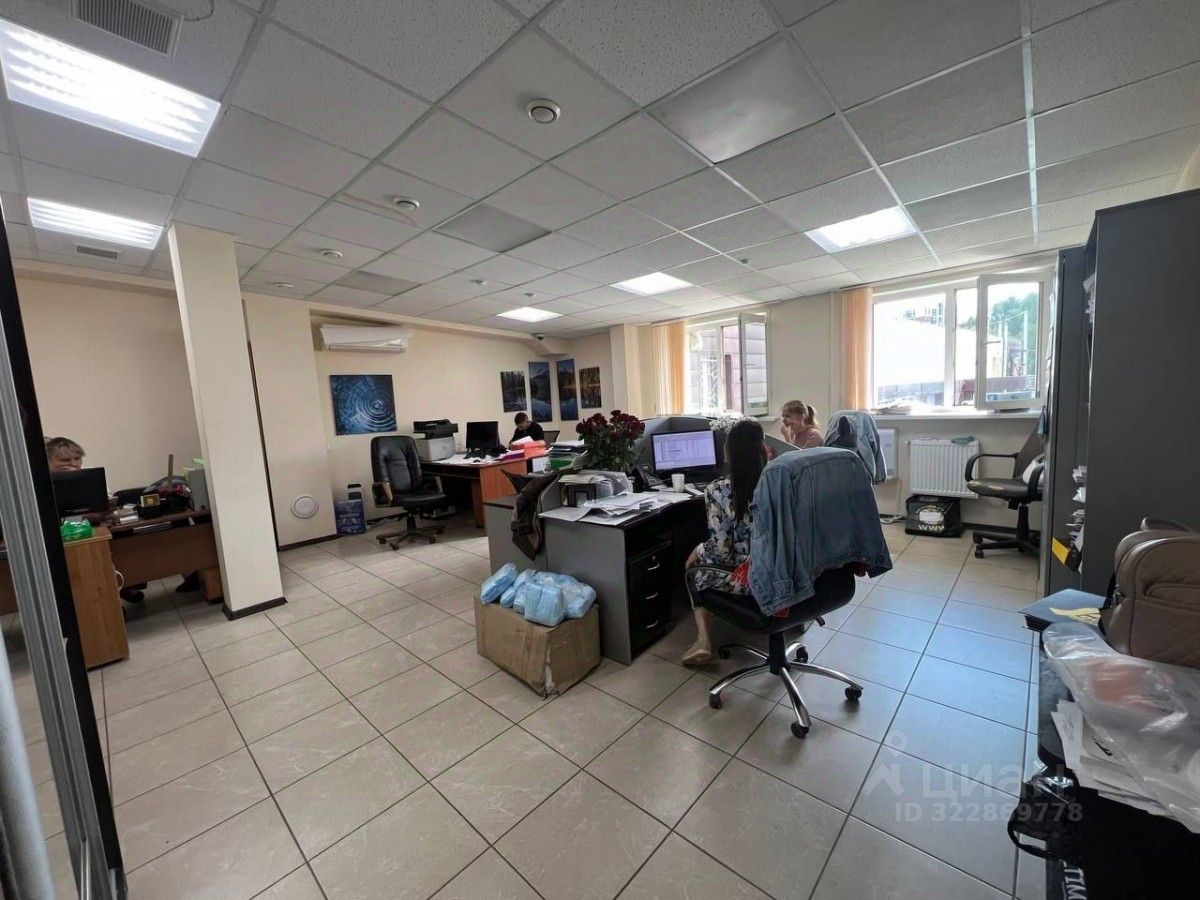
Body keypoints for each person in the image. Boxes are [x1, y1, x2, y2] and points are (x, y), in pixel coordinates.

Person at [681, 419, 768, 666]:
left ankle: (703, 641)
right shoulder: (778, 483)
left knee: (695, 571)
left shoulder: (718, 490)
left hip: (749, 578)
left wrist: (697, 550)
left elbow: (721, 552)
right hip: (783, 573)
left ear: (729, 453)